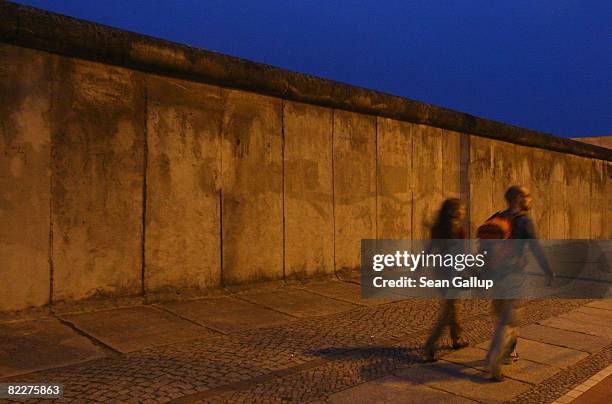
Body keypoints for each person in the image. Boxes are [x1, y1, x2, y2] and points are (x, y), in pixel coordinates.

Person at [484, 185, 554, 381]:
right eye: (527, 195)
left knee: (502, 319)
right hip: (513, 275)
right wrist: (548, 270)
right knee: (509, 321)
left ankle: (498, 353)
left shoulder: (496, 217)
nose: (530, 199)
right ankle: (495, 362)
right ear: (517, 198)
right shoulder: (524, 221)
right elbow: (536, 247)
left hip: (494, 276)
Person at [423, 198, 469, 362]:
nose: (464, 212)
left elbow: (429, 249)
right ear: (454, 211)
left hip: (440, 271)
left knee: (453, 306)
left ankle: (457, 338)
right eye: (462, 209)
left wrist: (418, 267)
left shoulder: (438, 228)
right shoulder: (459, 230)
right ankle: (430, 345)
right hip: (452, 273)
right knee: (449, 311)